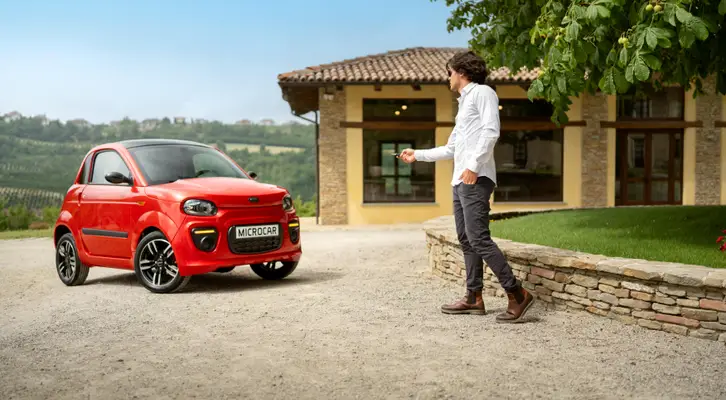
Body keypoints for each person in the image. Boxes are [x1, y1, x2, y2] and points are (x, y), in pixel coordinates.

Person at [398, 50, 535, 323]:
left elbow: (491, 131)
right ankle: (474, 297)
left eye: (449, 72)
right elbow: (451, 148)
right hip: (461, 180)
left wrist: (473, 165)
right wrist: (418, 155)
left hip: (476, 177)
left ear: (462, 72)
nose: (448, 78)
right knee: (466, 239)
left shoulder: (483, 93)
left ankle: (517, 293)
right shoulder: (464, 105)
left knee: (479, 238)